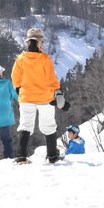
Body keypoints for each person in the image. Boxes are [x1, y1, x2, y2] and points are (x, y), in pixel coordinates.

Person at [11, 27, 63, 164]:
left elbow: (15, 77)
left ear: (28, 42)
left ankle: (21, 157)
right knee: (49, 125)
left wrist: (18, 89)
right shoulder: (45, 59)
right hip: (44, 98)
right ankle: (52, 156)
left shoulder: (20, 59)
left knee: (25, 125)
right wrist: (57, 92)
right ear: (39, 42)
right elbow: (51, 79)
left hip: (26, 97)